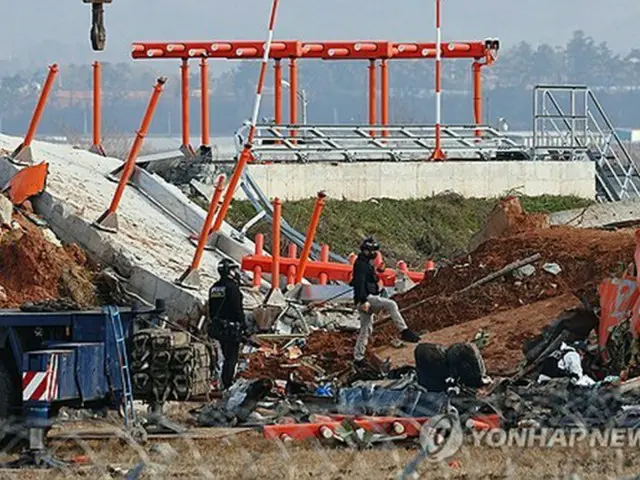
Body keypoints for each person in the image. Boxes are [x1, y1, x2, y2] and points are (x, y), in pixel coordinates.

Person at [352, 236, 420, 365]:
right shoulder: (361, 265)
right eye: (371, 251)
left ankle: (358, 357)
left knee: (365, 329)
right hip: (366, 298)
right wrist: (362, 301)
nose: (373, 254)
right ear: (366, 251)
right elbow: (359, 284)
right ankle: (404, 331)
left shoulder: (365, 264)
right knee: (391, 304)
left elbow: (367, 279)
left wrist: (378, 272)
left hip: (365, 298)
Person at [208, 259, 248, 390]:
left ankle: (216, 381)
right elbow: (238, 310)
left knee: (220, 357)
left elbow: (211, 310)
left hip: (217, 327)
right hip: (230, 329)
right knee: (231, 359)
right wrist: (244, 326)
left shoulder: (214, 287)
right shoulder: (233, 288)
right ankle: (226, 385)